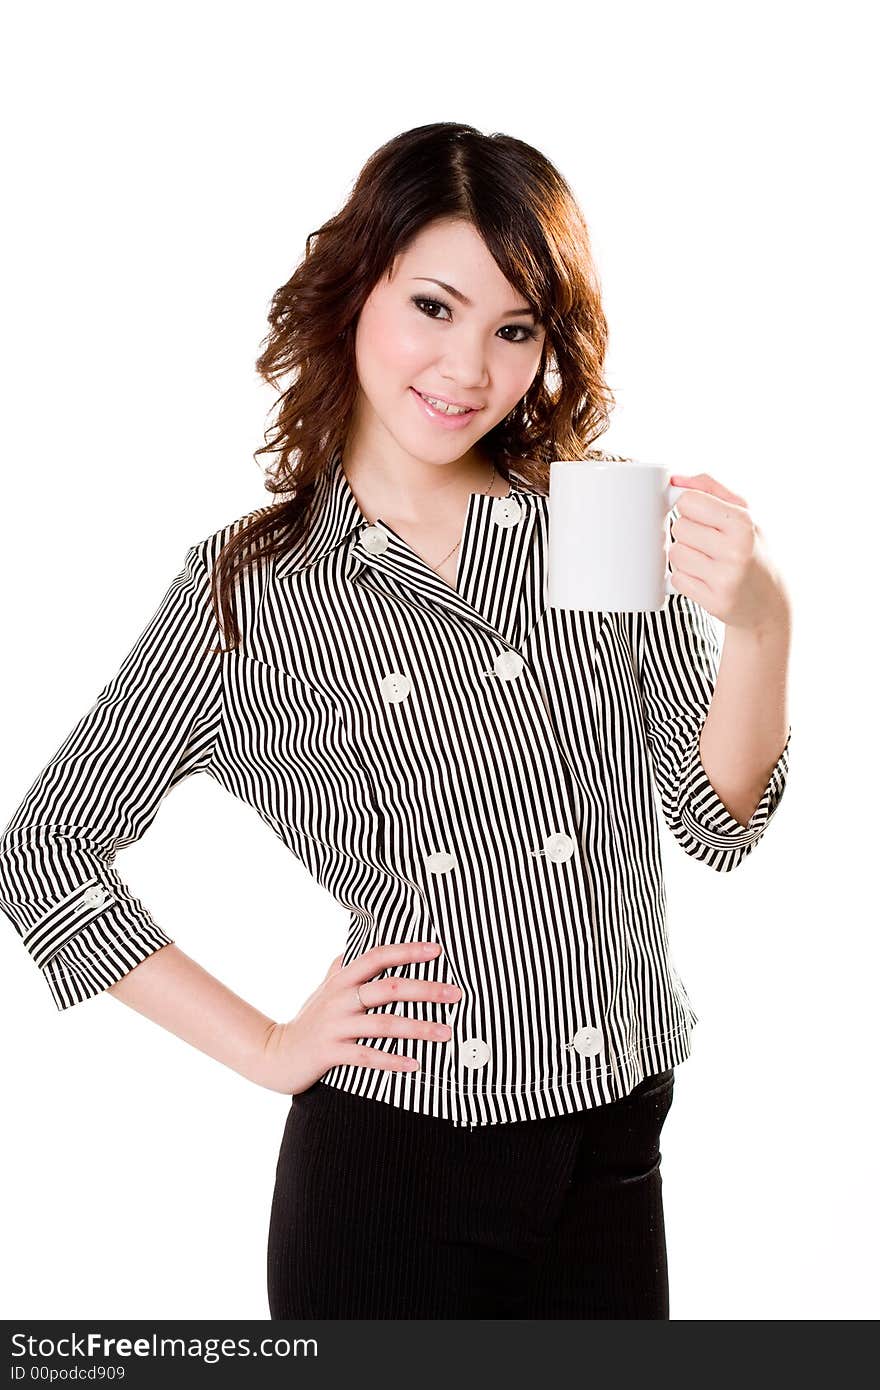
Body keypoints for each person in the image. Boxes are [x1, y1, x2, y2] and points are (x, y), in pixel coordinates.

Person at [0, 122, 792, 1319]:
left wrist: (762, 624)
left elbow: (713, 823)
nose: (468, 367)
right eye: (433, 305)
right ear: (356, 288)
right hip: (396, 1171)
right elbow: (43, 853)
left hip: (617, 1152)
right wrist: (271, 1045)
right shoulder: (247, 590)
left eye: (513, 329)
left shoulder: (592, 520)